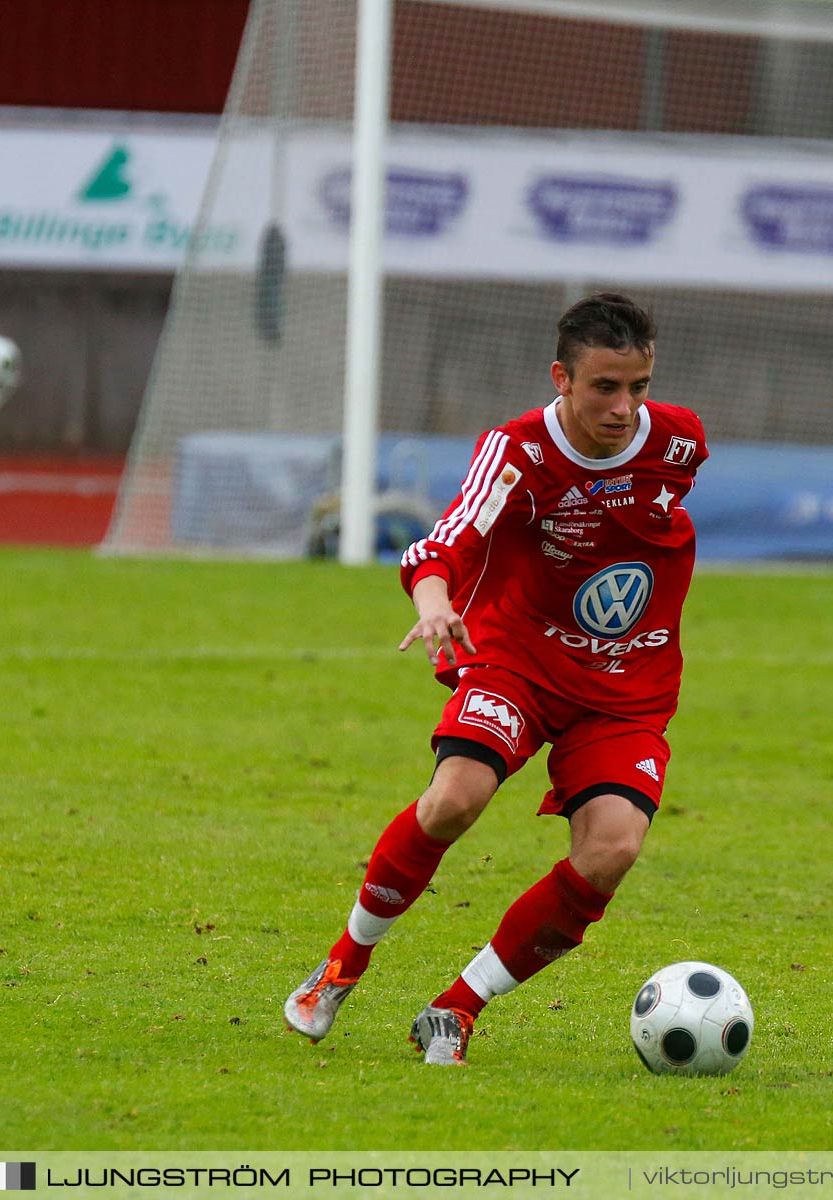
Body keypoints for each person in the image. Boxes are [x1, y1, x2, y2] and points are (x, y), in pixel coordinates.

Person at [283, 293, 708, 1066]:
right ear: (561, 378)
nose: (624, 407)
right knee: (455, 798)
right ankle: (343, 964)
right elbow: (443, 543)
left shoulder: (680, 442)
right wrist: (437, 604)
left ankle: (458, 1006)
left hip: (626, 685)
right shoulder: (515, 452)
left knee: (613, 848)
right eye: (604, 388)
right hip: (521, 661)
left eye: (638, 387)